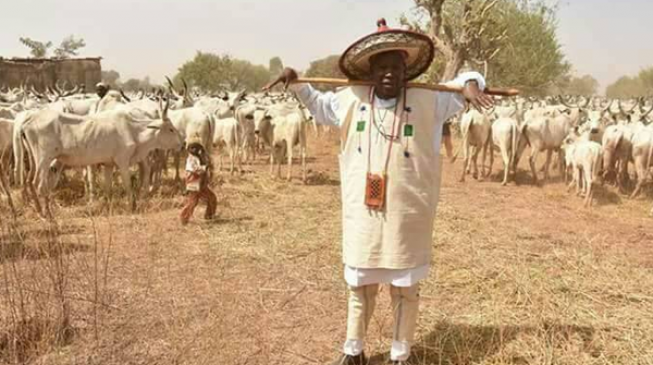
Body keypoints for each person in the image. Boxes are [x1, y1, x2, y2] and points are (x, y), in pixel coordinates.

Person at [264, 18, 493, 365]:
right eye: (381, 67)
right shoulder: (351, 98)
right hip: (364, 215)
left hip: (408, 216)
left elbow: (468, 79)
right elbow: (318, 105)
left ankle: (401, 354)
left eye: (396, 67)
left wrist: (471, 85)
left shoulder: (431, 99)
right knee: (360, 286)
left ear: (406, 71)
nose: (389, 74)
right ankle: (353, 351)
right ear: (370, 72)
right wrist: (297, 83)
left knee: (405, 288)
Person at [180, 138, 217, 225]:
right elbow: (194, 169)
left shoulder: (197, 158)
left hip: (201, 183)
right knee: (192, 202)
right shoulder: (191, 159)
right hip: (194, 184)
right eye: (195, 149)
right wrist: (205, 167)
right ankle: (184, 218)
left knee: (211, 198)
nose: (197, 151)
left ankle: (209, 216)